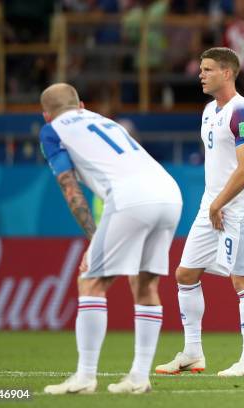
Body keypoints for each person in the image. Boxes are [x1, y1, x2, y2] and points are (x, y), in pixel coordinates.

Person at [40, 83, 183, 394]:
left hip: (130, 198)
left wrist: (94, 238)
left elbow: (70, 187)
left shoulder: (52, 131)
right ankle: (139, 377)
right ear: (80, 105)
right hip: (169, 192)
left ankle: (85, 376)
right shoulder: (106, 121)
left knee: (90, 280)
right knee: (145, 284)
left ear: (46, 115)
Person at [155, 47, 244, 377]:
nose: (201, 74)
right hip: (211, 206)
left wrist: (219, 203)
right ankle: (192, 352)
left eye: (208, 69)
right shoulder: (207, 111)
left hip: (238, 209)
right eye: (201, 69)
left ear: (227, 73)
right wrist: (212, 203)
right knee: (185, 274)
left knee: (243, 279)